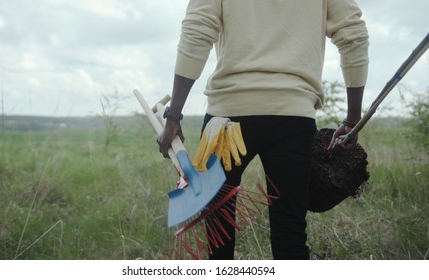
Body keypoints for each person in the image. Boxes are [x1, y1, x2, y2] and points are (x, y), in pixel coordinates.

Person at [158, 0, 369, 260]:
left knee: (218, 231)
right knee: (290, 234)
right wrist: (352, 119)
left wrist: (173, 115)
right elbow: (354, 35)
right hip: (292, 117)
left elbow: (197, 31)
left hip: (225, 120)